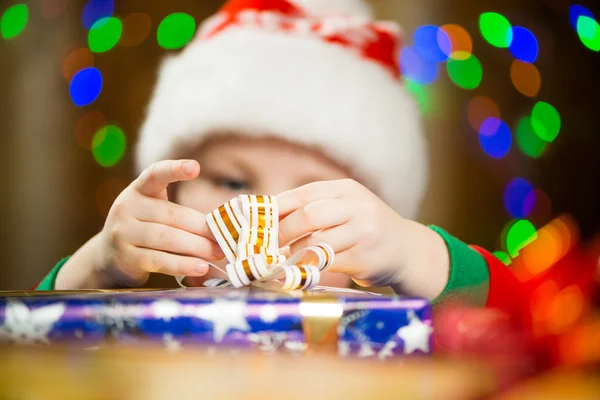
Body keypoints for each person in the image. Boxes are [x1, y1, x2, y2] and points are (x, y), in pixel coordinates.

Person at [36, 0, 499, 310]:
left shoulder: (392, 332)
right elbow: (24, 341)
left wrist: (414, 254)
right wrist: (97, 265)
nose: (269, 219)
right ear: (174, 196)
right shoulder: (144, 322)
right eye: (233, 183)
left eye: (311, 194)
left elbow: (530, 325)